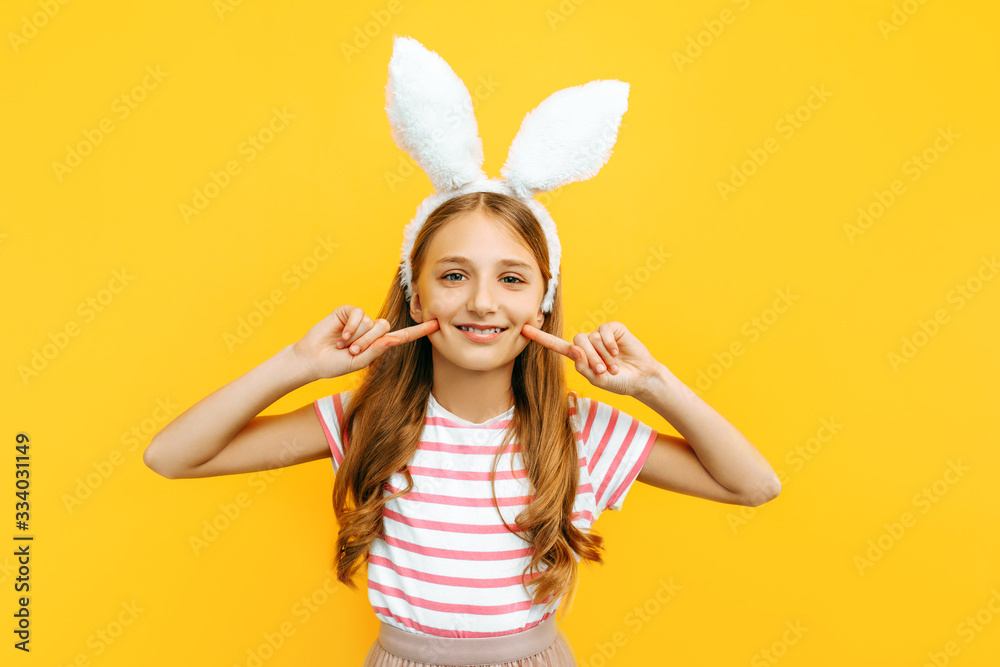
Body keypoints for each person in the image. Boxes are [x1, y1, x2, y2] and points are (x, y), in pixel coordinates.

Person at [144, 36, 781, 667]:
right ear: (415, 299)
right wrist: (298, 364)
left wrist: (654, 386)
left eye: (511, 278)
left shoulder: (579, 430)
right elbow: (172, 457)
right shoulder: (366, 420)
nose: (481, 302)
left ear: (542, 302)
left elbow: (755, 485)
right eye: (453, 275)